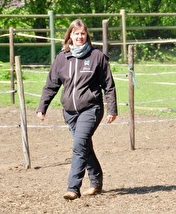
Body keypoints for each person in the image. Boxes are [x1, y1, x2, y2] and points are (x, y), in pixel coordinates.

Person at [37, 19, 118, 200]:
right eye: (76, 34)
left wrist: (112, 109)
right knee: (84, 146)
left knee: (78, 146)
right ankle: (96, 182)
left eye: (82, 34)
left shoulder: (97, 56)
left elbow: (108, 85)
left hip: (91, 109)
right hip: (69, 112)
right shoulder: (62, 58)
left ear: (86, 35)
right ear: (70, 36)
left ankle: (73, 187)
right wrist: (42, 107)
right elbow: (51, 85)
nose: (79, 37)